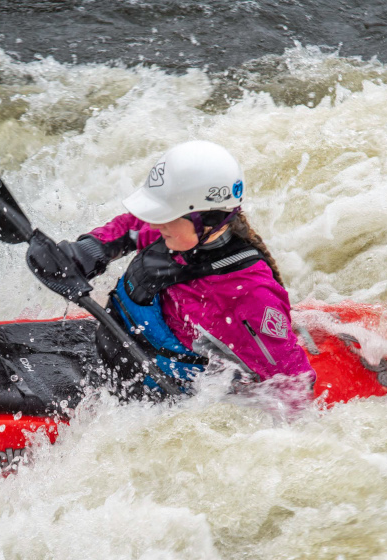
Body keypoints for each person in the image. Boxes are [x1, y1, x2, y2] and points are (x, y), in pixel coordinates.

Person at [27, 140, 315, 395]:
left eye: (165, 215)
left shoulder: (249, 296)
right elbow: (132, 228)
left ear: (208, 218)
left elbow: (291, 384)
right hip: (115, 350)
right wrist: (87, 251)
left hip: (160, 396)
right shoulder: (180, 233)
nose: (154, 224)